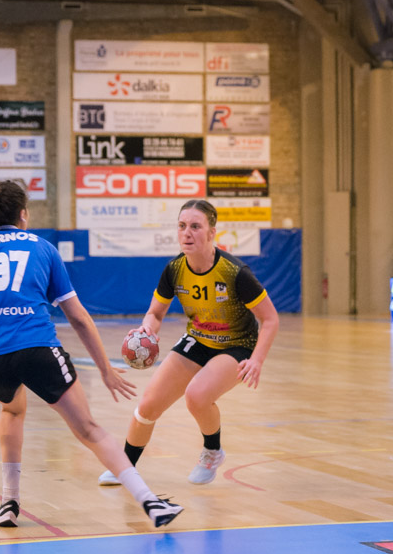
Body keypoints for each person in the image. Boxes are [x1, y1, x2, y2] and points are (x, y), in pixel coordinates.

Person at [0, 180, 182, 528]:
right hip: (37, 347)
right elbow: (78, 317)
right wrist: (105, 369)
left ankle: (8, 502)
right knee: (88, 429)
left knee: (12, 408)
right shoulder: (42, 248)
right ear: (23, 215)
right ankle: (150, 502)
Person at [98, 199, 279, 487]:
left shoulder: (235, 273)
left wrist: (256, 360)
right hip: (198, 339)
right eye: (182, 226)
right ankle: (125, 467)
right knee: (148, 405)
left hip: (237, 345)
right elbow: (155, 313)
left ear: (211, 232)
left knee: (196, 395)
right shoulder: (174, 269)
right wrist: (148, 330)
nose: (187, 233)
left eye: (195, 226)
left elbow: (270, 319)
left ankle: (212, 451)